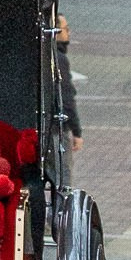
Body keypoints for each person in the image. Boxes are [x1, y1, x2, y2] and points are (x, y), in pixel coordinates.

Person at [55, 13, 82, 157]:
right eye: (66, 28)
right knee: (63, 174)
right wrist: (76, 131)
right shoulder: (59, 60)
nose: (68, 32)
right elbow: (66, 97)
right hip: (56, 129)